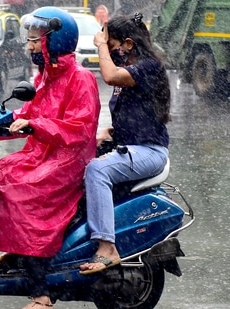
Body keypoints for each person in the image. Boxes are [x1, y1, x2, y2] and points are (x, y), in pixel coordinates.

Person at [0, 7, 101, 309]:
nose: (30, 46)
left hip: (68, 160)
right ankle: (18, 247)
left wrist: (36, 126)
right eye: (30, 40)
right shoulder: (45, 76)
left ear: (55, 41)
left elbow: (79, 128)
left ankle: (42, 295)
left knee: (23, 193)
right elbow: (28, 114)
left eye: (36, 40)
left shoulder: (81, 78)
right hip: (41, 155)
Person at [79, 13, 171, 275]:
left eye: (112, 46)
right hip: (132, 146)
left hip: (150, 151)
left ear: (128, 44)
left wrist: (99, 46)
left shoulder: (148, 66)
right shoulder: (132, 67)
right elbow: (138, 111)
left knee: (97, 170)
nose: (109, 52)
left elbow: (109, 76)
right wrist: (109, 131)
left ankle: (108, 247)